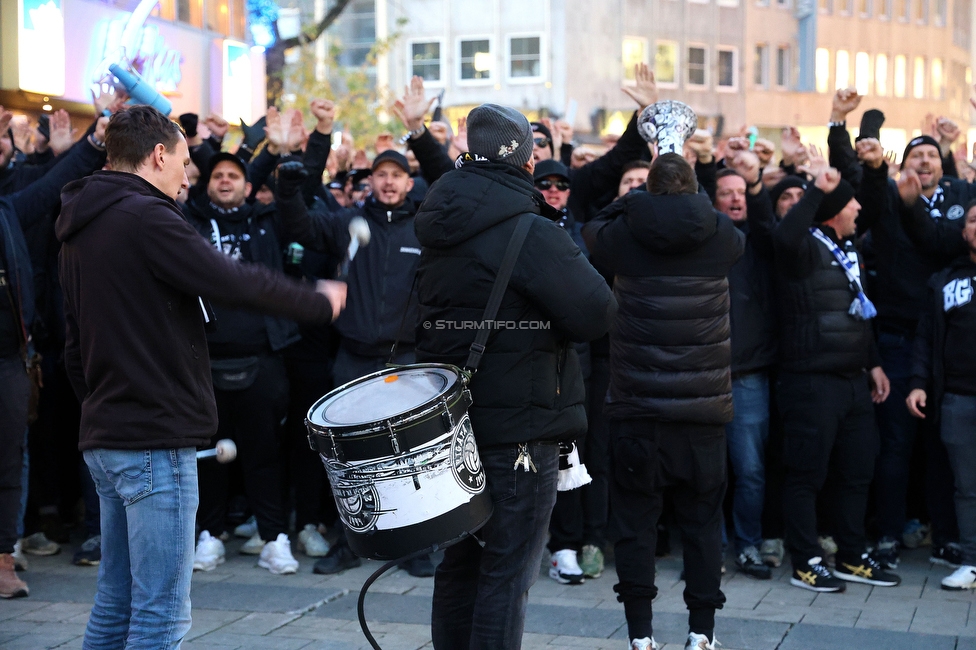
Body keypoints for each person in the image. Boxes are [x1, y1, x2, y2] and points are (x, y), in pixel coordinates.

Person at [57, 105, 345, 648]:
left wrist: (100, 408)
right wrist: (314, 300)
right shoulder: (145, 216)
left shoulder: (82, 222)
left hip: (109, 433)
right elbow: (228, 279)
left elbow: (76, 344)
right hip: (152, 436)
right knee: (160, 615)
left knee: (116, 602)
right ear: (159, 154)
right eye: (185, 161)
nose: (188, 175)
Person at [414, 103, 615, 649]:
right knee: (506, 571)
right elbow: (597, 312)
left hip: (452, 424)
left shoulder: (438, 219)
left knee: (461, 561)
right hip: (520, 429)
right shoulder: (530, 229)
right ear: (528, 162)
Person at [584, 153, 745, 650]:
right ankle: (702, 633)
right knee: (702, 527)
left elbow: (592, 227)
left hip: (637, 413)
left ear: (646, 190)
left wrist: (632, 202)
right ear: (696, 190)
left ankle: (641, 635)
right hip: (702, 416)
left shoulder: (622, 238)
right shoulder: (721, 237)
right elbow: (725, 222)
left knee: (634, 526)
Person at [770, 158, 900, 593]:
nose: (858, 209)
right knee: (806, 474)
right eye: (850, 204)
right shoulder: (802, 248)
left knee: (857, 470)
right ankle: (806, 560)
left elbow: (859, 315)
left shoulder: (850, 249)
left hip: (853, 381)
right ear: (833, 210)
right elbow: (784, 234)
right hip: (810, 382)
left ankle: (850, 554)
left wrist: (874, 362)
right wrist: (817, 189)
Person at [0, 108, 108, 599]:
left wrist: (89, 144)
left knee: (9, 461)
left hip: (9, 360)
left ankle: (4, 556)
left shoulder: (6, 210)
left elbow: (47, 190)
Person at [711, 154, 778, 581]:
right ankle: (710, 548)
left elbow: (771, 225)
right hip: (706, 377)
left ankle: (748, 545)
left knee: (751, 472)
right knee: (708, 474)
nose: (736, 199)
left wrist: (757, 184)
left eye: (742, 192)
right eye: (727, 193)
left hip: (751, 377)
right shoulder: (702, 240)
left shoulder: (763, 240)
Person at [906, 199, 976, 591]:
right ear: (963, 232)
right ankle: (972, 560)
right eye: (973, 220)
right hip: (959, 399)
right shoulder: (946, 280)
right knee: (967, 487)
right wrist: (918, 383)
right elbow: (926, 338)